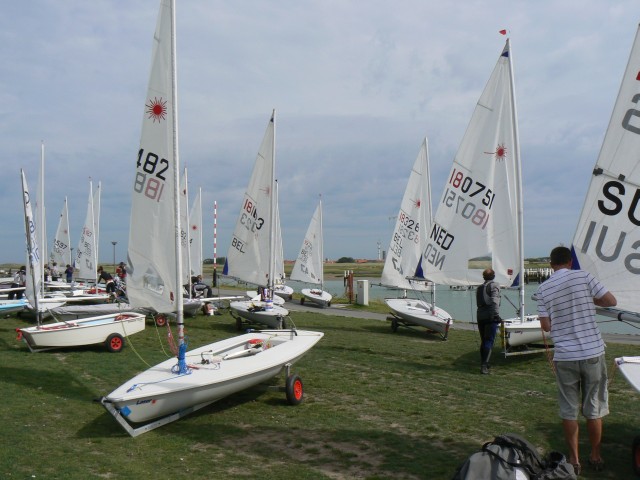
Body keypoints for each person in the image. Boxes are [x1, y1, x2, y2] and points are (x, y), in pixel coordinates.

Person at [536, 246, 617, 475]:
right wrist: (590, 302)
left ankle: (574, 459)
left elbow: (545, 326)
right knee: (594, 408)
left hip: (565, 357)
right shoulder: (584, 277)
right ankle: (595, 454)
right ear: (570, 262)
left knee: (569, 410)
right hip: (592, 353)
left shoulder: (543, 288)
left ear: (551, 265)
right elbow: (610, 300)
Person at [475, 268, 501, 375]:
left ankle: (484, 362)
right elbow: (494, 301)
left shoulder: (479, 287)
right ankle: (484, 366)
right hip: (490, 315)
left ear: (484, 277)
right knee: (489, 340)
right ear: (493, 276)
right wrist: (496, 315)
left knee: (484, 340)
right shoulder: (494, 285)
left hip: (480, 315)